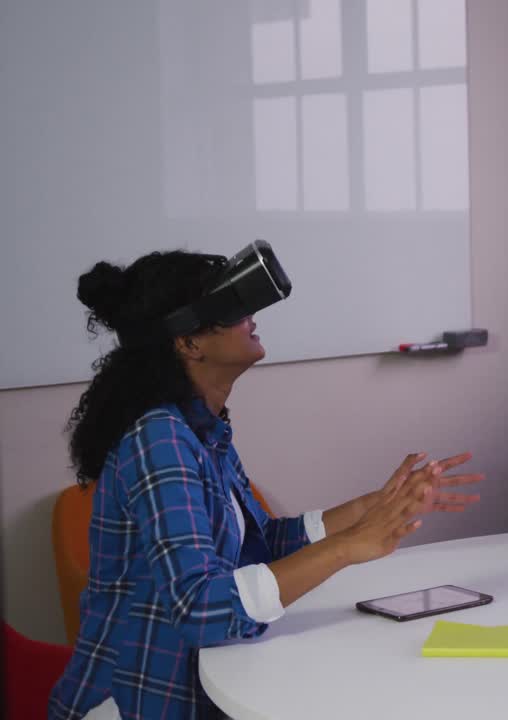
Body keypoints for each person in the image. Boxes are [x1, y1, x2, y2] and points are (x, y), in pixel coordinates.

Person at [50, 247, 482, 719]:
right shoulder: (159, 439)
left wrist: (374, 507)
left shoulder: (202, 429)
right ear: (189, 343)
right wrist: (347, 547)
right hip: (140, 700)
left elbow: (257, 545)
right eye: (233, 309)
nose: (251, 316)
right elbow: (199, 608)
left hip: (198, 682)